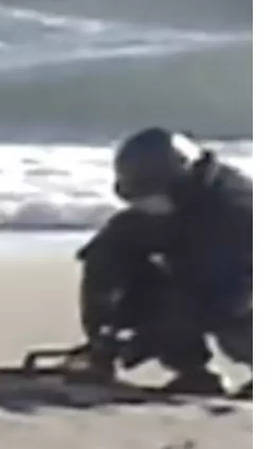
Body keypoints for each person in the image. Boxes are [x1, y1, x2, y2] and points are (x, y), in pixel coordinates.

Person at [76, 128, 252, 396]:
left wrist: (149, 336)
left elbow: (236, 295)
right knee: (137, 280)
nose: (142, 205)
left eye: (148, 195)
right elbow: (104, 260)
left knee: (235, 324)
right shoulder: (158, 212)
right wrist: (101, 332)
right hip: (205, 285)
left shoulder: (239, 209)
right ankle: (196, 375)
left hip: (241, 291)